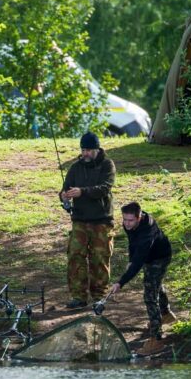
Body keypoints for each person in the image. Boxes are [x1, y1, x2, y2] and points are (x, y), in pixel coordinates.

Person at [110, 201, 176, 355]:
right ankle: (166, 314)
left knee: (149, 296)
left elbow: (139, 261)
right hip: (147, 256)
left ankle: (157, 340)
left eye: (130, 220)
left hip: (160, 257)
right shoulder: (130, 224)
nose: (126, 223)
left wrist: (121, 282)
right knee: (155, 284)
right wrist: (130, 259)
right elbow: (133, 243)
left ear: (139, 218)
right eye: (124, 219)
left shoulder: (147, 232)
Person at [60, 132, 115, 309]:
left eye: (89, 150)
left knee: (99, 258)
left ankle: (99, 297)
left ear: (97, 149)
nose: (85, 154)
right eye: (83, 150)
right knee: (75, 256)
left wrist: (82, 192)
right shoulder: (75, 167)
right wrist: (64, 197)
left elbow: (104, 188)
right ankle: (78, 296)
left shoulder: (107, 165)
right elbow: (65, 189)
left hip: (101, 221)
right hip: (79, 220)